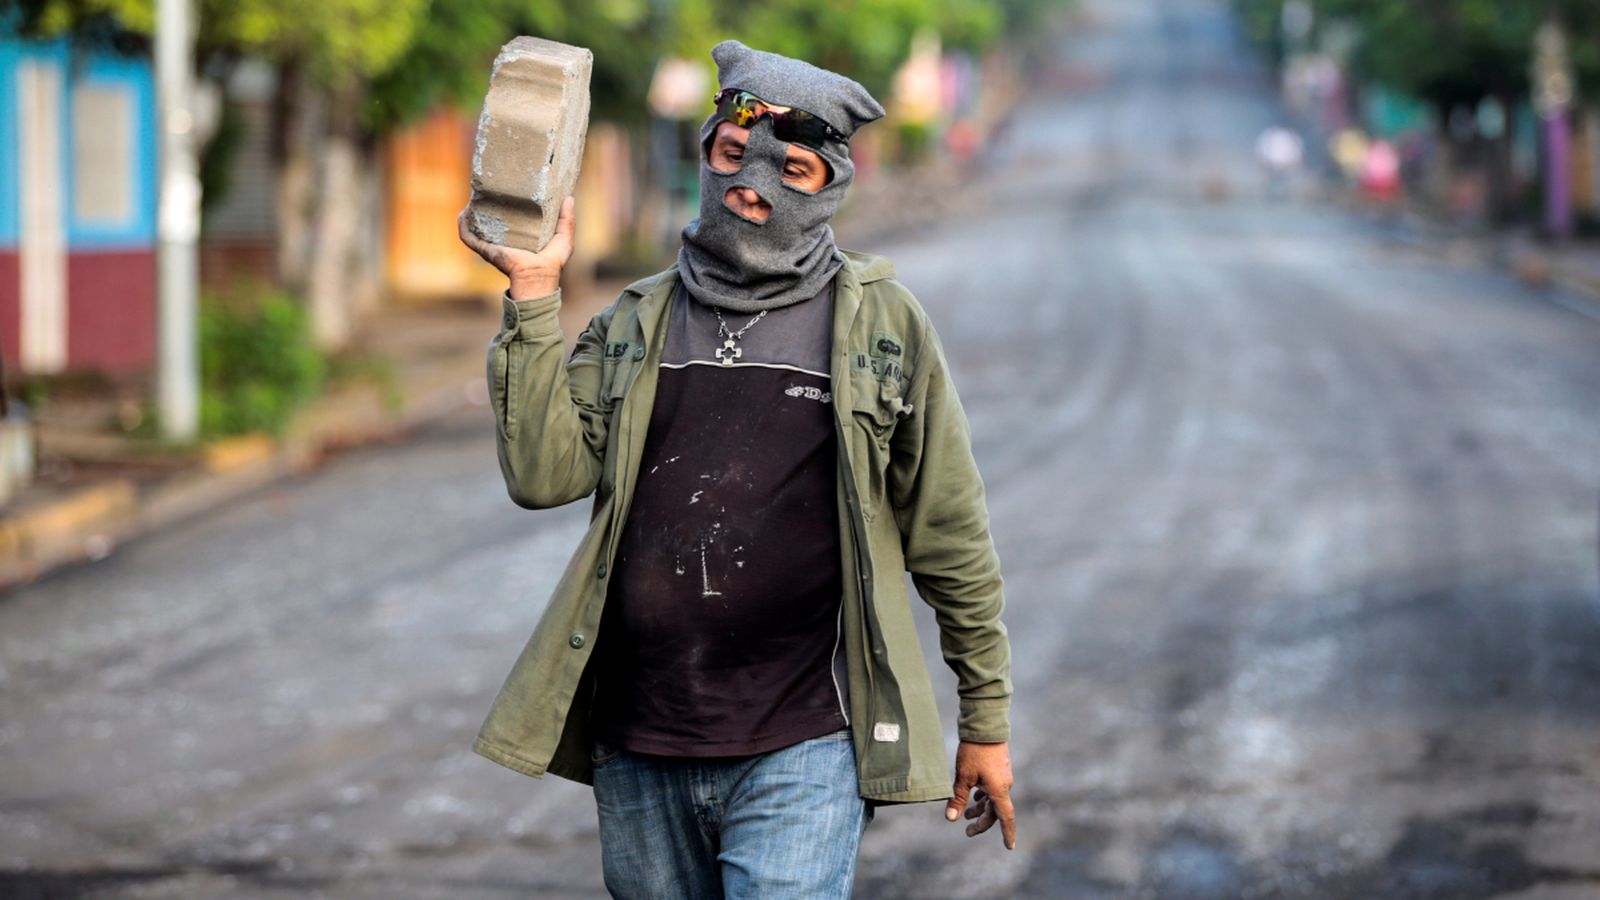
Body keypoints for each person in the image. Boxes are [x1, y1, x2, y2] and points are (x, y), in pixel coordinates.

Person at [458, 39, 1016, 898]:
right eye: (731, 155)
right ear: (709, 154)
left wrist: (986, 716)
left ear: (830, 187)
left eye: (791, 171)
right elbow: (542, 475)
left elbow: (948, 530)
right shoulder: (636, 321)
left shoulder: (882, 328)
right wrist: (535, 297)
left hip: (808, 739)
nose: (751, 188)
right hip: (640, 738)